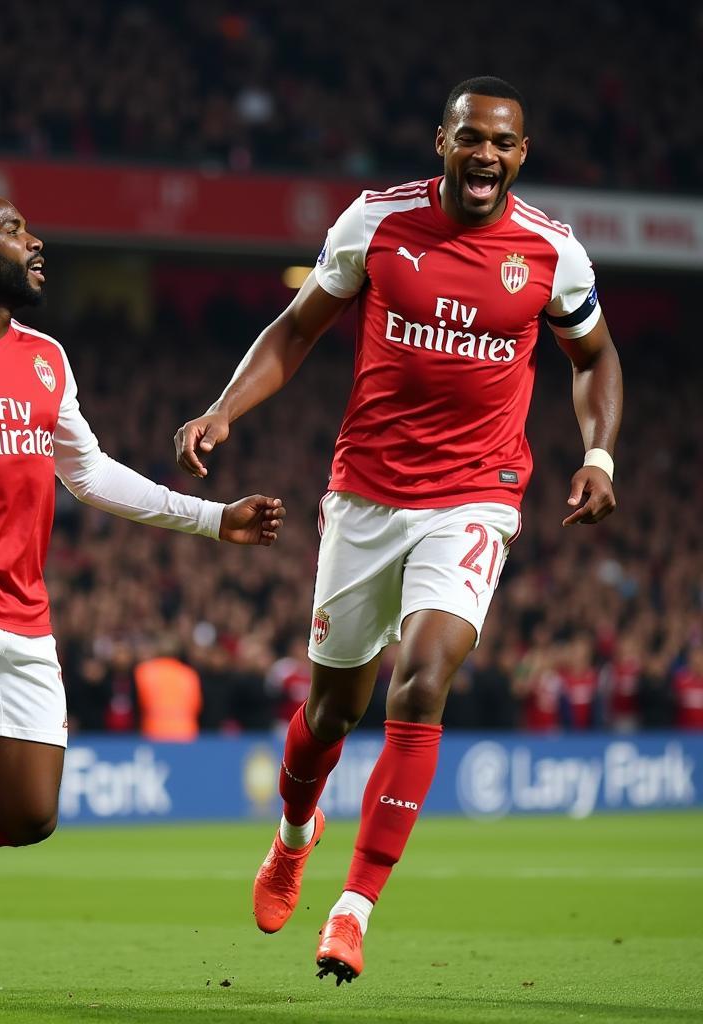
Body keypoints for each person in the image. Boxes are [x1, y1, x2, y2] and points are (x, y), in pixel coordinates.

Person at [174, 76, 622, 984]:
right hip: (368, 495)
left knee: (421, 684)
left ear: (521, 155)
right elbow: (297, 330)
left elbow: (595, 355)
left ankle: (353, 910)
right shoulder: (376, 223)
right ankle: (297, 837)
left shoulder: (550, 251)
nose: (486, 154)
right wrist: (225, 411)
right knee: (333, 709)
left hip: (478, 495)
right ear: (442, 143)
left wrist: (599, 454)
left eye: (503, 141)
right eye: (471, 138)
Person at [0, 189, 286, 1007]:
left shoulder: (47, 357)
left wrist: (214, 520)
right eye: (13, 231)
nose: (35, 242)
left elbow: (89, 472)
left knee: (30, 814)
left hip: (23, 609)